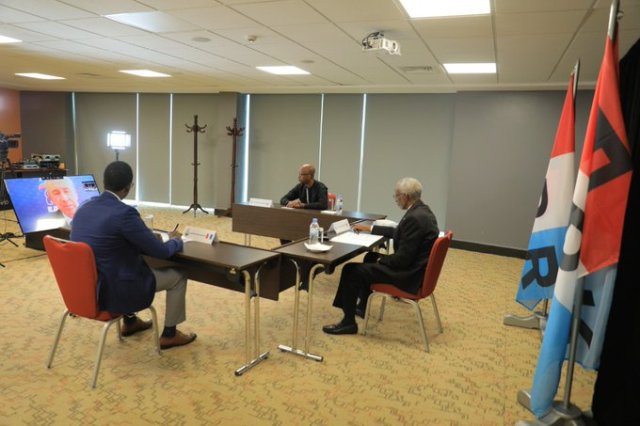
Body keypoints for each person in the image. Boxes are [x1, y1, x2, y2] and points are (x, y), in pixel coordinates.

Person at [70, 161, 196, 350]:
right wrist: (177, 241)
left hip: (88, 288)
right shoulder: (125, 214)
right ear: (128, 187)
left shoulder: (82, 208)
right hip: (115, 290)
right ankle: (170, 334)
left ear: (104, 182)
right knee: (178, 276)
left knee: (121, 260)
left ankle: (130, 321)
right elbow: (161, 252)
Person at [322, 177, 439, 335]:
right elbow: (399, 233)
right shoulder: (423, 211)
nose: (396, 199)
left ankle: (348, 323)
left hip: (409, 275)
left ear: (405, 196)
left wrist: (381, 259)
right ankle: (362, 306)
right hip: (416, 268)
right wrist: (369, 229)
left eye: (396, 196)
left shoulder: (414, 218)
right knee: (370, 257)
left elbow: (402, 260)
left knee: (350, 270)